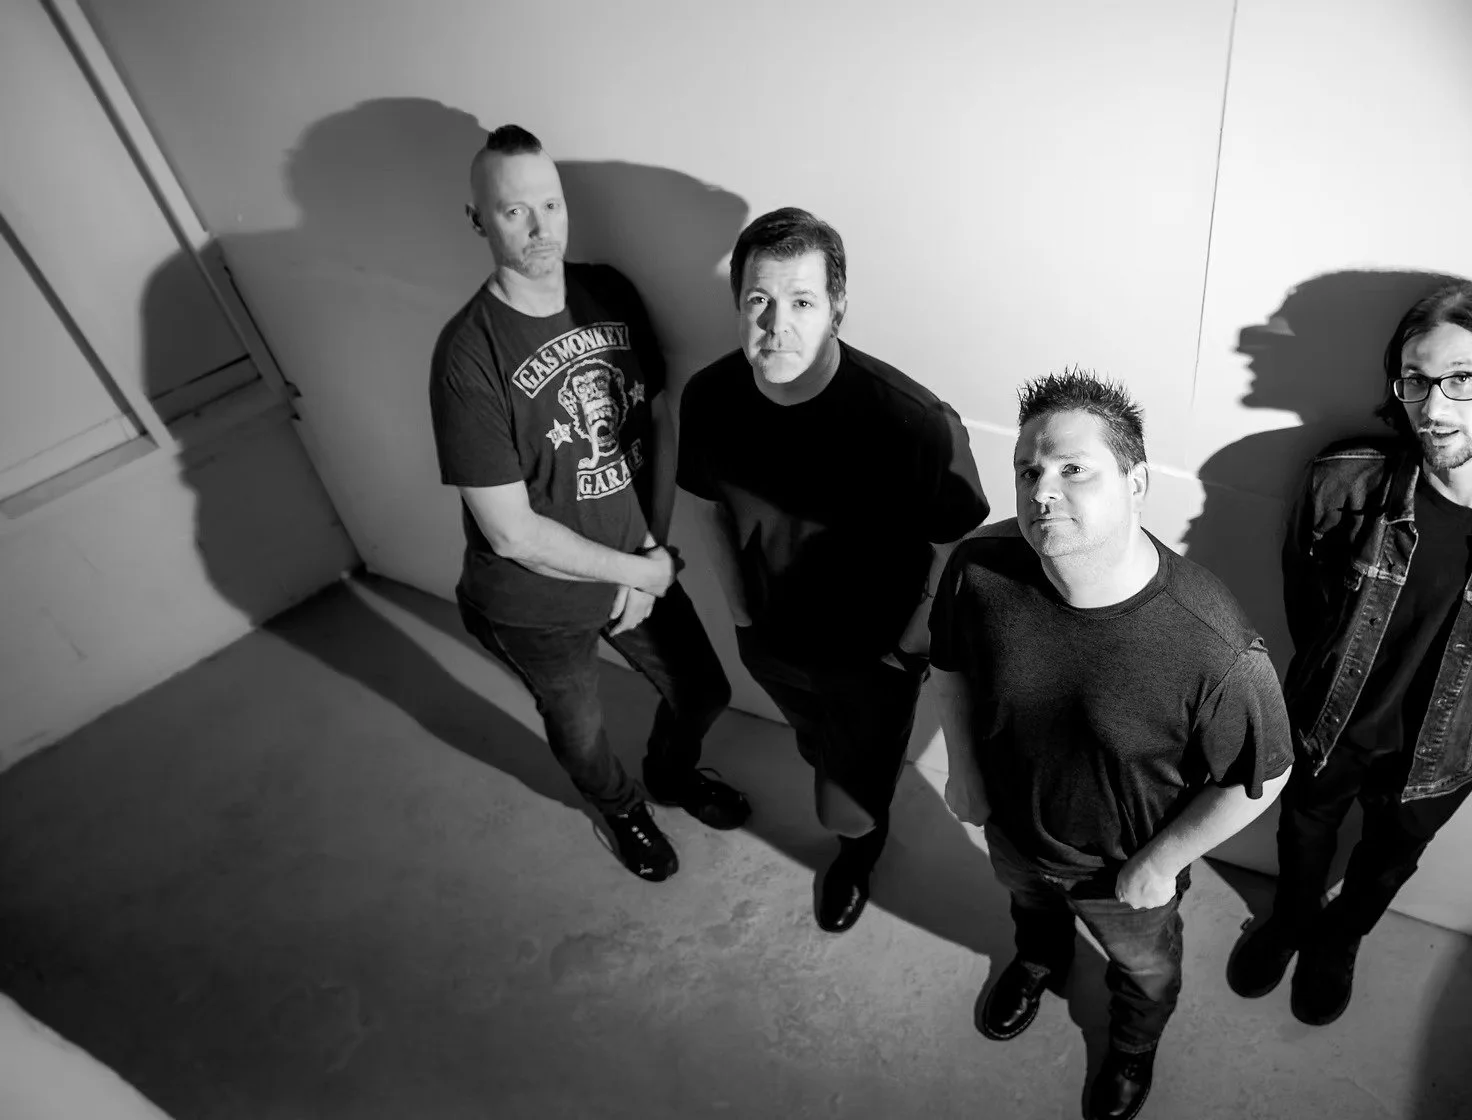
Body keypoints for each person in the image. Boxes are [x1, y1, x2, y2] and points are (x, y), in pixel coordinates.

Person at [1225, 279, 1472, 1025]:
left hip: (1444, 754)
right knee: (1302, 830)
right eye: (1415, 380)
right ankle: (1292, 919)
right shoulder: (1343, 482)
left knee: (1388, 862)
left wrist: (1468, 708)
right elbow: (1306, 601)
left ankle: (1340, 940)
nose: (1433, 409)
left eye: (1462, 380)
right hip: (1327, 724)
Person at [931, 371, 1293, 1120]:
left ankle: (1132, 1045)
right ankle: (1040, 960)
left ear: (1136, 482)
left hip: (1122, 870)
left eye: (1073, 469)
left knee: (1145, 973)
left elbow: (1265, 773)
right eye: (1028, 470)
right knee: (1030, 914)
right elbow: (950, 663)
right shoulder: (980, 568)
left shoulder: (1214, 645)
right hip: (1013, 830)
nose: (1041, 491)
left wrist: (1160, 864)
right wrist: (963, 770)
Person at [428, 124, 748, 884]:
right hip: (532, 602)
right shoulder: (467, 356)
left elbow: (658, 419)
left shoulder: (609, 291)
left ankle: (669, 774)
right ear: (477, 220)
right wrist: (637, 575)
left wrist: (652, 553)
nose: (540, 228)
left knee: (703, 692)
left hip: (635, 560)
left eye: (551, 204)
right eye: (514, 211)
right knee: (579, 731)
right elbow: (511, 534)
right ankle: (621, 807)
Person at [677, 207, 987, 932]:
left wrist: (906, 649)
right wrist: (743, 620)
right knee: (816, 744)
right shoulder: (710, 397)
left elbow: (959, 553)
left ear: (837, 307)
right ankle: (847, 798)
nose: (775, 325)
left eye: (801, 302)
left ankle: (858, 850)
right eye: (758, 300)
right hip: (772, 645)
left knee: (845, 802)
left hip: (872, 662)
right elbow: (704, 508)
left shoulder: (912, 421)